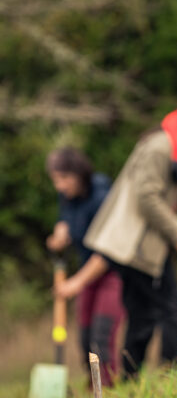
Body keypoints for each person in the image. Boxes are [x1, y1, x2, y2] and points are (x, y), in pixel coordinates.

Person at [84, 85, 177, 379]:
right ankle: (173, 380)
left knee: (143, 317)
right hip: (136, 248)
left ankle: (130, 379)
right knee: (174, 312)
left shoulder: (173, 147)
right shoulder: (162, 146)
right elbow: (147, 197)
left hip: (139, 247)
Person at [44, 147, 124, 385]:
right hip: (85, 270)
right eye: (56, 180)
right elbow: (67, 220)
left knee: (102, 335)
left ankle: (108, 391)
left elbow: (107, 251)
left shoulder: (102, 196)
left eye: (65, 179)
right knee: (85, 338)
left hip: (111, 272)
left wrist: (75, 283)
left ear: (79, 174)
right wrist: (61, 232)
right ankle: (93, 390)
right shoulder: (66, 196)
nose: (60, 186)